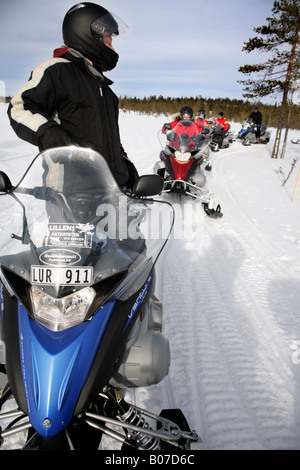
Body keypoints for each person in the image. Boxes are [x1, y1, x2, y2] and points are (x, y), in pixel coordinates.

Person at [7, 2, 138, 190]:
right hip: (69, 193)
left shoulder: (107, 92)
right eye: (108, 41)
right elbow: (19, 109)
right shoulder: (57, 71)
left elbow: (110, 141)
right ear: (88, 34)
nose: (112, 48)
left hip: (113, 192)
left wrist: (127, 170)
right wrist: (51, 135)